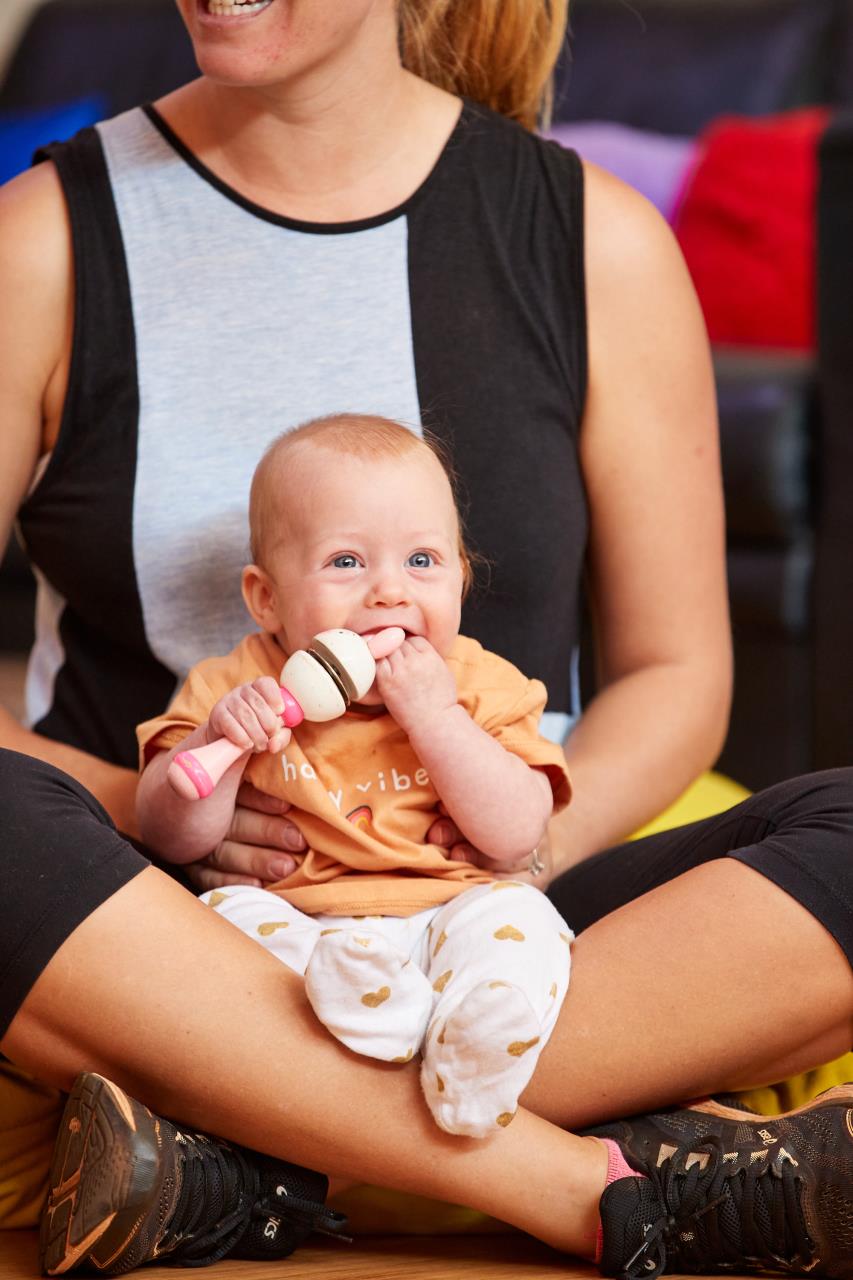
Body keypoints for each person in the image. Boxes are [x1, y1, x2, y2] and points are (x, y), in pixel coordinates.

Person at [0, 0, 852, 1275]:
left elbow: (678, 675)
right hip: (170, 920)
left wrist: (524, 831)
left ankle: (236, 1151)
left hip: (502, 917)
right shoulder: (45, 237)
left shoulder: (591, 240)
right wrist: (147, 796)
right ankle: (579, 1176)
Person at [136, 413, 574, 1138]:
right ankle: (368, 1009)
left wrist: (436, 719)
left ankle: (477, 1046)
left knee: (522, 921)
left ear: (461, 580)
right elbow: (167, 832)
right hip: (303, 930)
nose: (388, 593)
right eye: (346, 562)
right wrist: (222, 741)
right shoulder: (236, 685)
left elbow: (515, 832)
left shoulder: (477, 685)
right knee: (219, 923)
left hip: (444, 912)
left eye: (423, 562)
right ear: (266, 598)